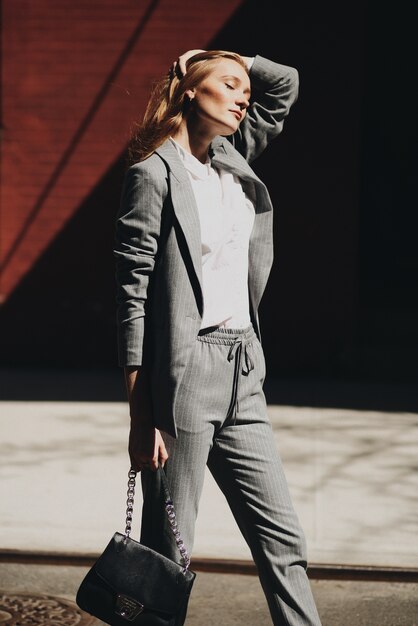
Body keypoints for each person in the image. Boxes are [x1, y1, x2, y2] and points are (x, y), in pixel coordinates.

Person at [114, 49, 322, 626]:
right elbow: (131, 297)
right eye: (228, 85)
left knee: (283, 539)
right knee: (168, 553)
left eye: (243, 90)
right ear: (188, 90)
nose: (243, 95)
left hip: (243, 371)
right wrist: (139, 411)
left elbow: (287, 83)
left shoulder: (233, 156)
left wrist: (234, 59)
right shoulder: (152, 175)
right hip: (184, 377)